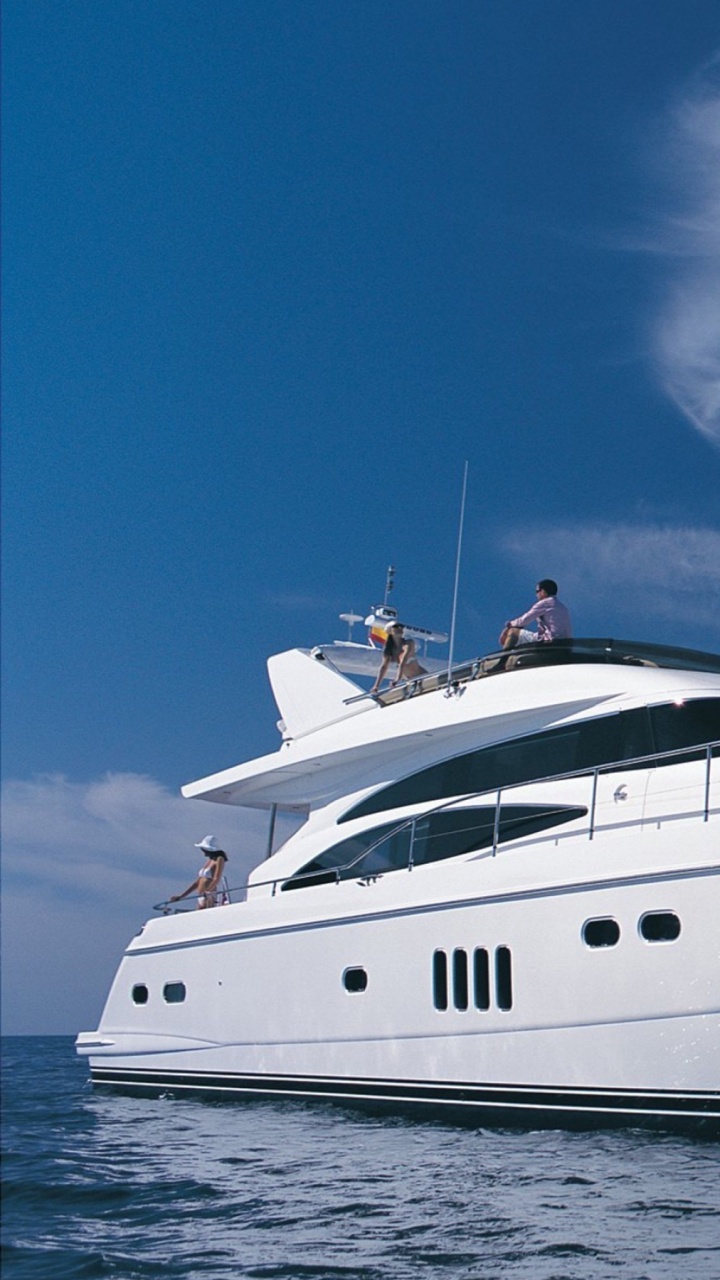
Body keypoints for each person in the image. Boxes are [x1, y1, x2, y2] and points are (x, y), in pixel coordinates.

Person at [499, 579, 572, 649]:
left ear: (543, 591)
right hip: (565, 645)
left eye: (537, 591)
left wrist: (509, 625)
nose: (536, 594)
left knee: (513, 632)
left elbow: (524, 620)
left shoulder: (545, 603)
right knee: (528, 636)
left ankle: (503, 658)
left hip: (549, 642)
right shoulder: (562, 607)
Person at [169, 835, 229, 909]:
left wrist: (208, 891)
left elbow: (217, 878)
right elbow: (198, 882)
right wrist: (182, 896)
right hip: (201, 895)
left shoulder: (220, 859)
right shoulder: (210, 860)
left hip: (208, 895)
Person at [370, 622, 427, 693]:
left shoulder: (409, 643)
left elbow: (402, 663)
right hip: (409, 681)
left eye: (401, 626)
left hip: (422, 676)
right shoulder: (389, 650)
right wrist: (376, 686)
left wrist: (397, 679)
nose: (400, 628)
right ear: (390, 630)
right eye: (396, 626)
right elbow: (384, 667)